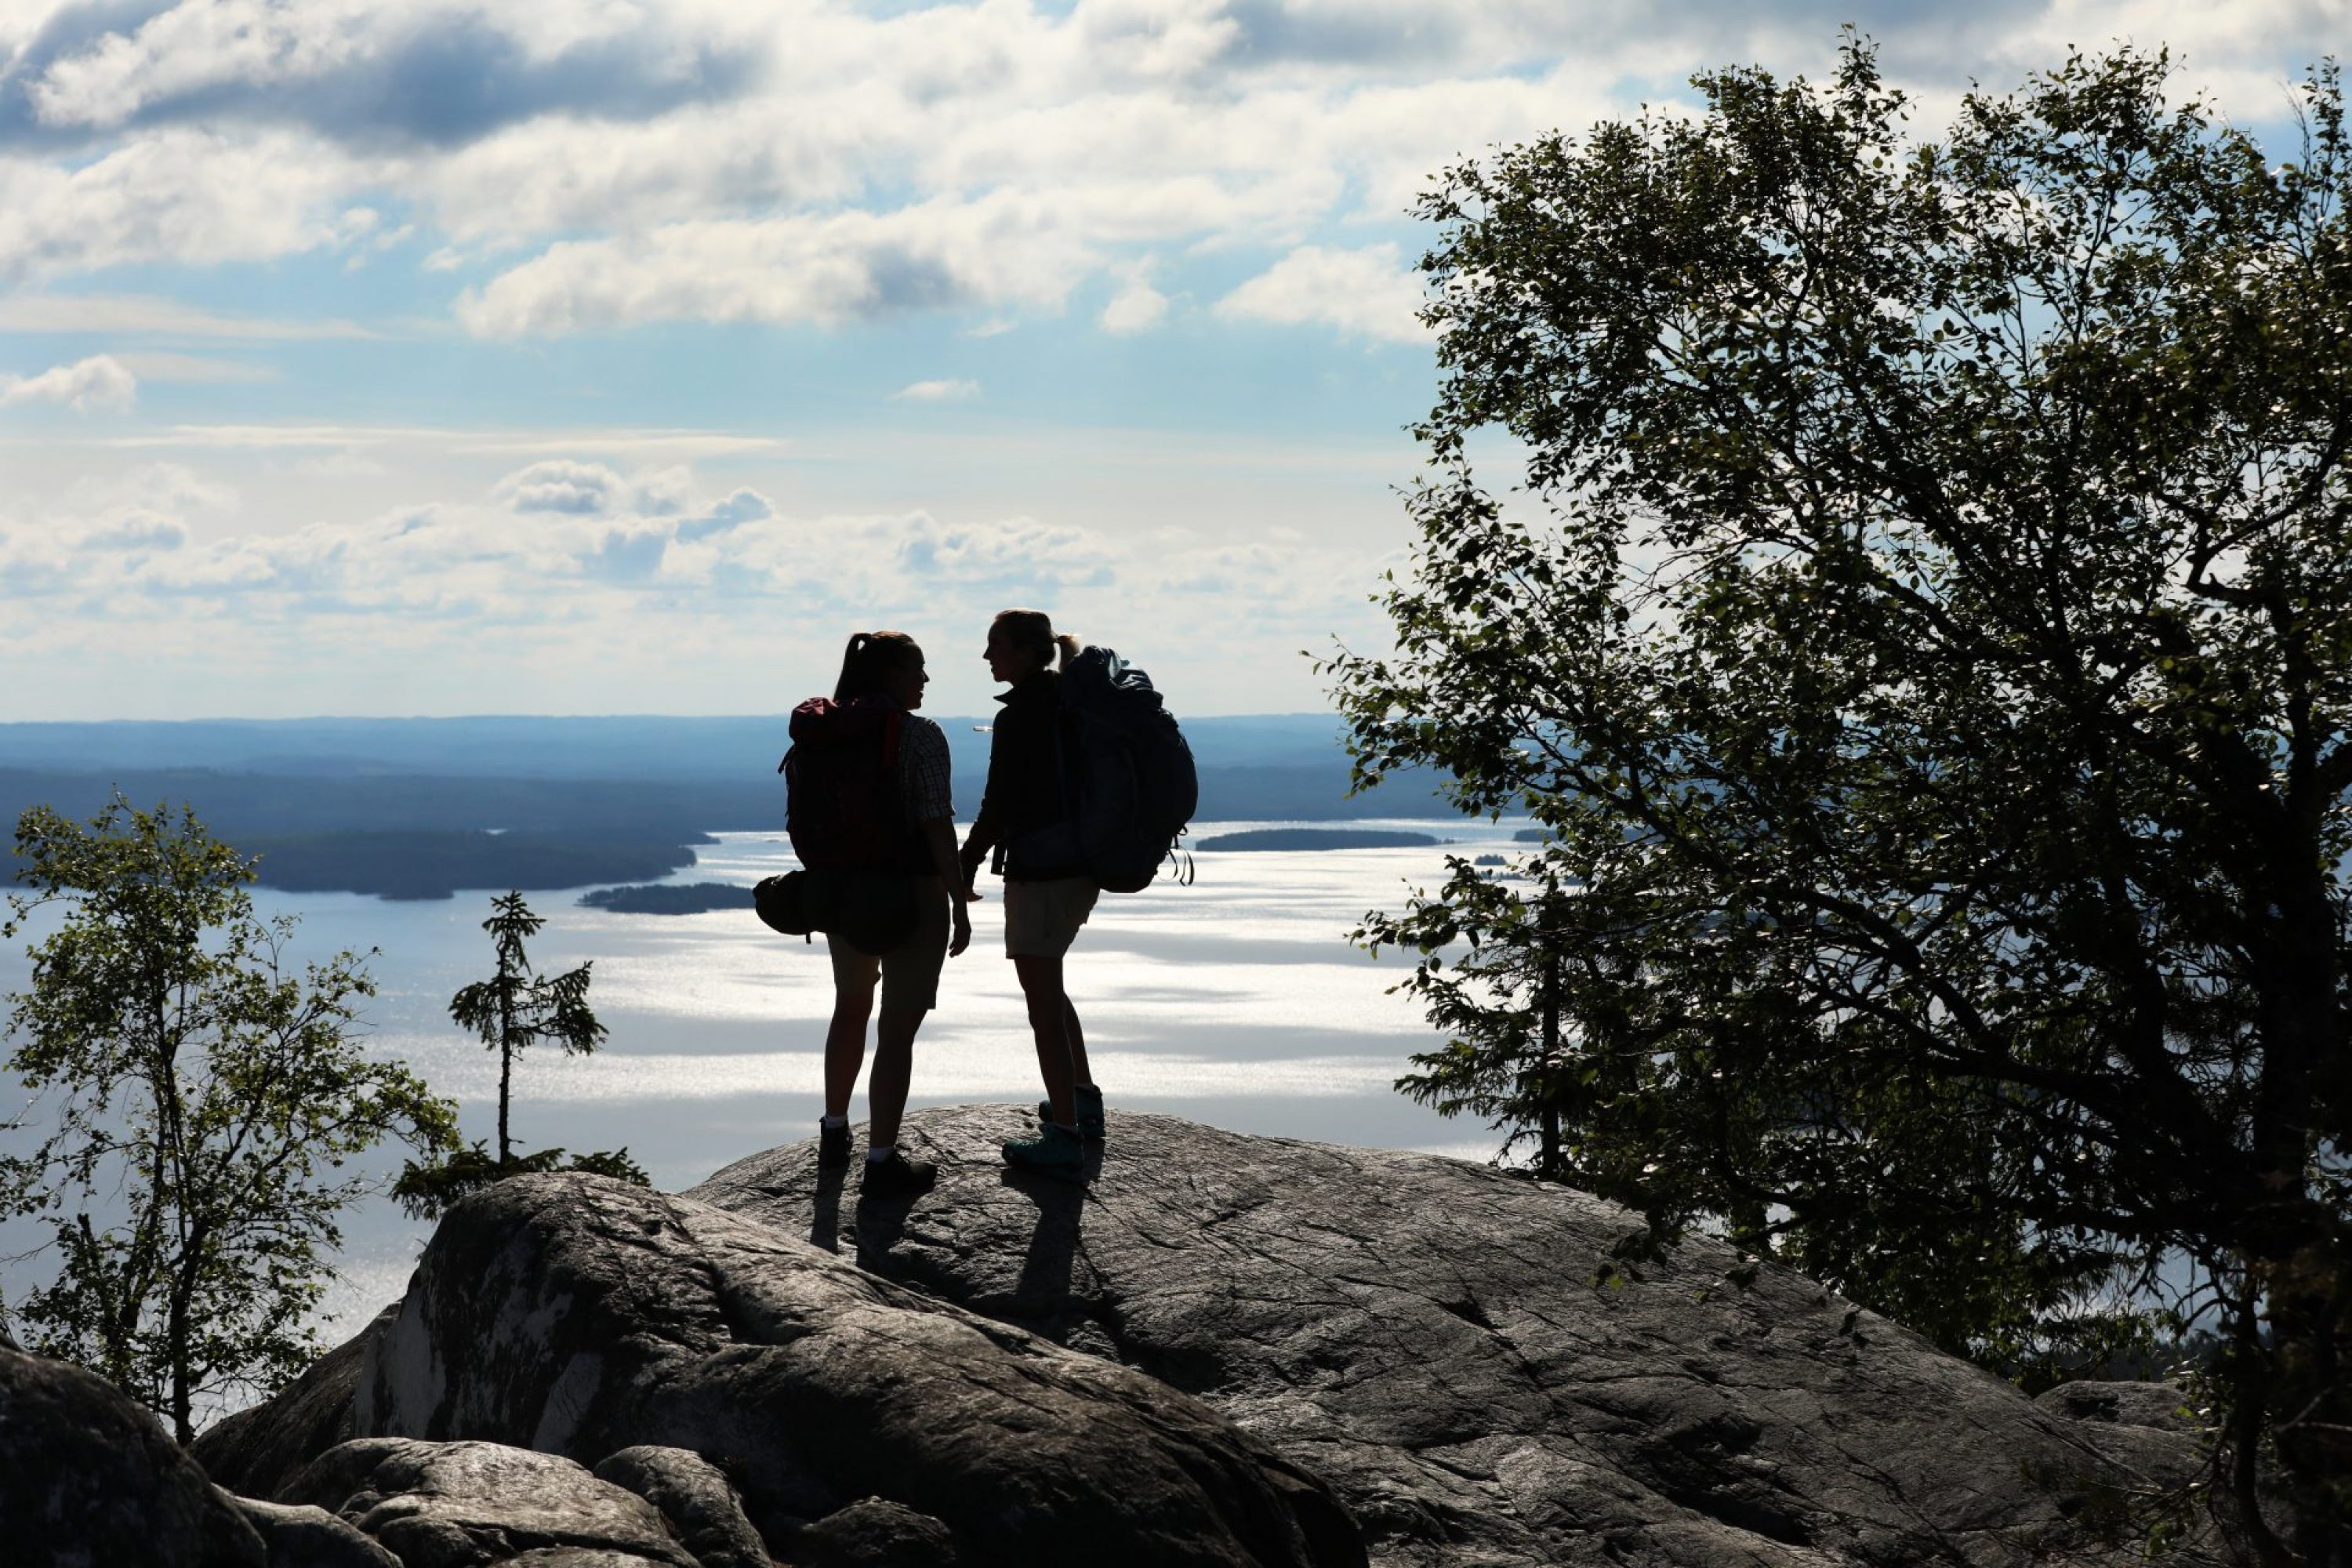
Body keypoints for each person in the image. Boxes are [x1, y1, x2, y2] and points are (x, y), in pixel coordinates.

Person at [811, 630, 971, 1196]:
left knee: (849, 1008)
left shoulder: (830, 729)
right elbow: (935, 821)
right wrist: (958, 896)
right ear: (889, 676)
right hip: (913, 896)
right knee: (897, 1032)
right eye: (916, 670)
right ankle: (881, 1161)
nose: (925, 680)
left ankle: (834, 1133)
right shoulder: (921, 736)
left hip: (847, 894)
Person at [960, 608, 1100, 1179]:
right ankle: (1082, 1099)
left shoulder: (1025, 715)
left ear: (1022, 652)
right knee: (1052, 984)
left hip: (1041, 871)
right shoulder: (1068, 700)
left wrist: (964, 862)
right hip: (1078, 865)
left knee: (1041, 1004)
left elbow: (1001, 801)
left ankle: (1065, 1133)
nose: (987, 657)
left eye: (995, 647)